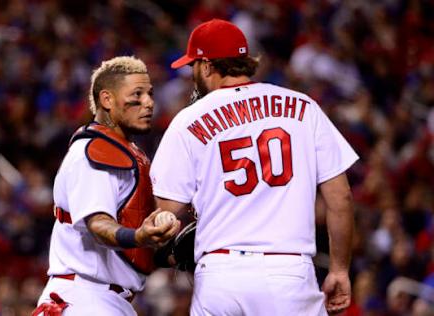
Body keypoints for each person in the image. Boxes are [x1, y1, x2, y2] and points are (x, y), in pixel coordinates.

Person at [150, 19, 358, 315]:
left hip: (221, 273)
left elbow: (167, 209)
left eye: (193, 66)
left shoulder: (189, 120)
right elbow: (342, 198)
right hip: (289, 271)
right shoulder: (303, 106)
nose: (192, 73)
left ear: (207, 67)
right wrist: (339, 269)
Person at [34, 56, 180, 315]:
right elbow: (98, 224)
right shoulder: (95, 152)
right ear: (107, 100)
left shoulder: (129, 152)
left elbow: (133, 242)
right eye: (137, 94)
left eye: (150, 94)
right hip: (86, 297)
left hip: (104, 299)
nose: (148, 102)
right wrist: (139, 237)